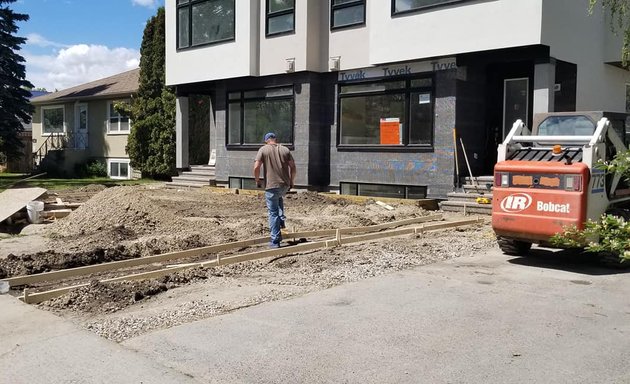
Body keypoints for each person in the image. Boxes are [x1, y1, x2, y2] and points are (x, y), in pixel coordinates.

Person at [253, 132, 297, 248]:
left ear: (266, 140)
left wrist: (257, 180)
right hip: (284, 185)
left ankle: (275, 240)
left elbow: (256, 167)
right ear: (275, 139)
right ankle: (281, 219)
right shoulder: (285, 150)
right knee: (279, 198)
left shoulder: (263, 150)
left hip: (271, 185)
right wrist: (292, 181)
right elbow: (293, 167)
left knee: (272, 213)